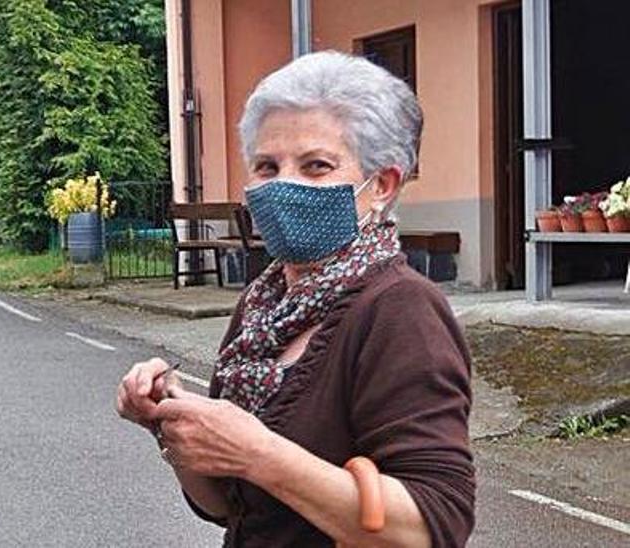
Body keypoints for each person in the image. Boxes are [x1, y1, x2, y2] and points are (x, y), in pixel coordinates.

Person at [117, 51, 475, 547]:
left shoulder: (400, 311)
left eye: (316, 166)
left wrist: (256, 451)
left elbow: (434, 526)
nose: (283, 184)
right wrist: (171, 424)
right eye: (267, 166)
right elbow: (230, 506)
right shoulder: (265, 306)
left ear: (382, 186)